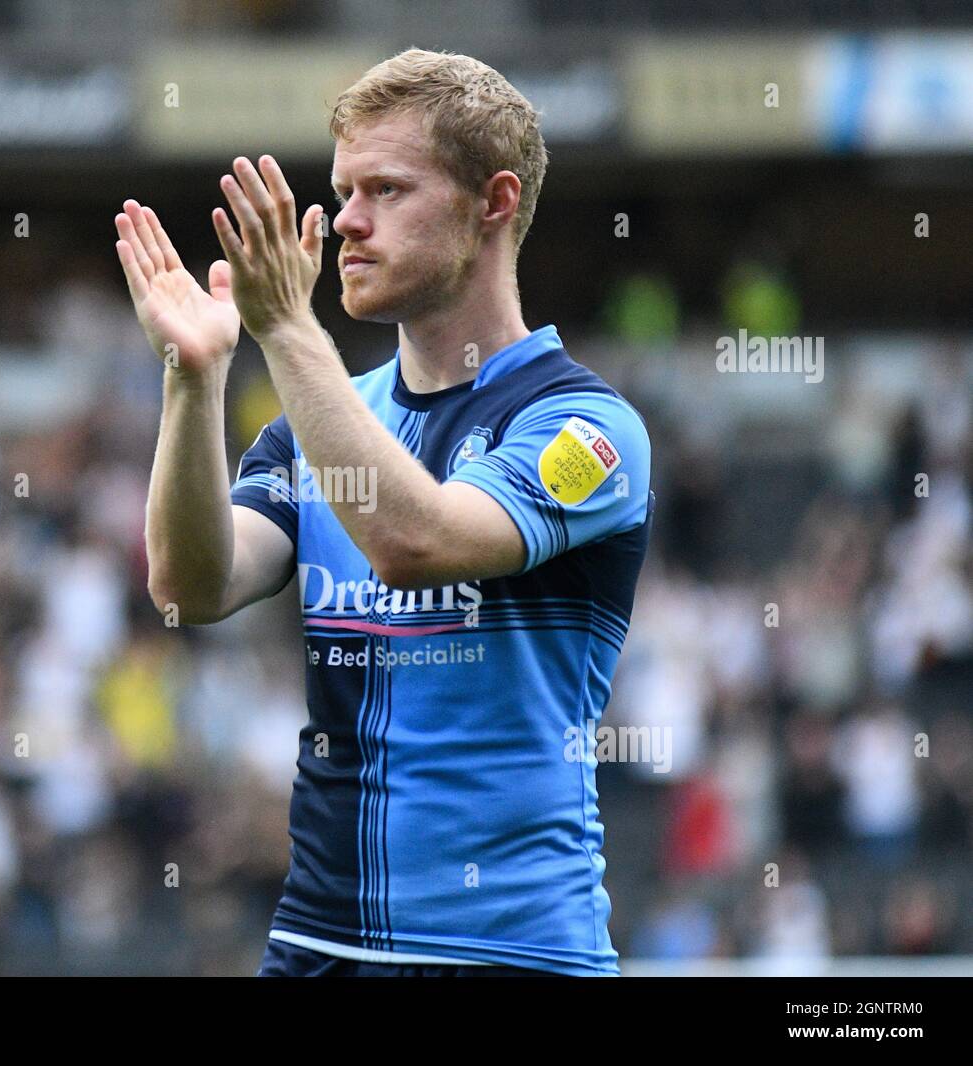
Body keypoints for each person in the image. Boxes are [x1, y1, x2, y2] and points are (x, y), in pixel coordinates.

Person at [115, 48, 653, 977]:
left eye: (388, 190)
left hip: (509, 951)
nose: (348, 224)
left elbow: (419, 540)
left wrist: (286, 327)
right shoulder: (315, 428)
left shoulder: (587, 429)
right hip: (319, 944)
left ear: (493, 202)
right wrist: (195, 379)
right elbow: (190, 586)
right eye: (343, 189)